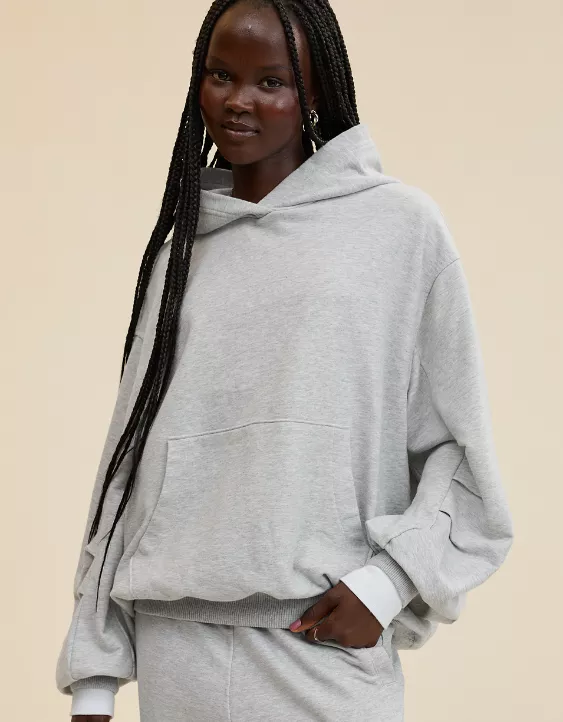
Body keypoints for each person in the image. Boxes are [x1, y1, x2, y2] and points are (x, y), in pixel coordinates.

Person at [55, 1, 514, 720]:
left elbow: (459, 447)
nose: (238, 101)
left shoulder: (399, 230)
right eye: (220, 75)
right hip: (176, 648)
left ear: (316, 92)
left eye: (270, 81)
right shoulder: (180, 254)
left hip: (317, 644)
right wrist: (94, 672)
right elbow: (130, 459)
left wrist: (389, 584)